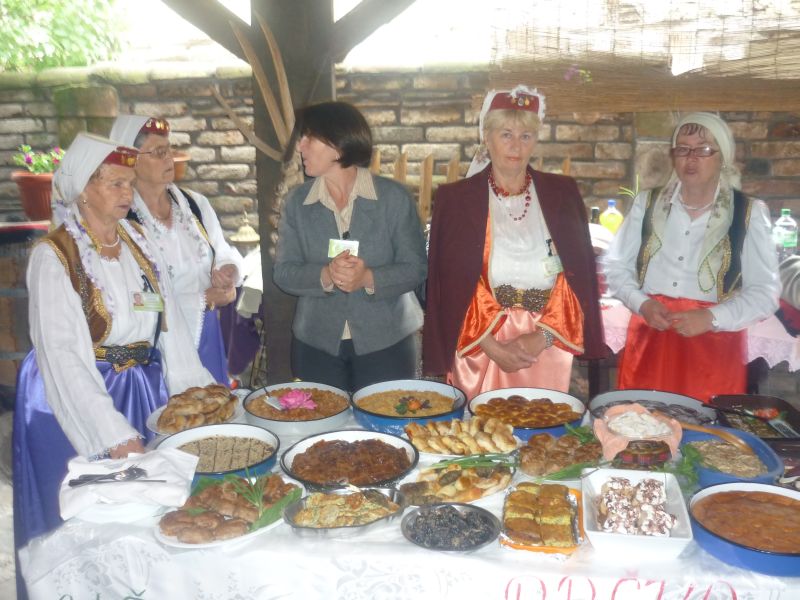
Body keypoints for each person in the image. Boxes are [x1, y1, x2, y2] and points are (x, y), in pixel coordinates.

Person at [13, 134, 215, 556]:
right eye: (115, 184)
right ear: (84, 189)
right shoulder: (54, 258)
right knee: (93, 526)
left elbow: (170, 326)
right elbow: (63, 356)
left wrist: (198, 395)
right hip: (77, 400)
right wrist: (111, 434)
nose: (128, 193)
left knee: (148, 517)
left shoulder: (138, 243)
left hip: (140, 391)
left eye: (129, 183)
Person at [423, 85, 605, 398]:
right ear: (487, 136)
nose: (516, 146)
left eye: (526, 136)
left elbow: (577, 274)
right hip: (480, 344)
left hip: (547, 345)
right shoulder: (455, 199)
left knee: (547, 436)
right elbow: (450, 282)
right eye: (506, 133)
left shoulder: (563, 194)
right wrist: (491, 343)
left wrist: (542, 337)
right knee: (481, 438)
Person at [603, 112, 780, 402]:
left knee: (705, 433)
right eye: (683, 149)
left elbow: (764, 292)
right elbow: (616, 266)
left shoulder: (747, 212)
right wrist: (642, 304)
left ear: (723, 156)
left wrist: (711, 317)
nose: (691, 158)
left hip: (712, 342)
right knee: (643, 426)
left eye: (703, 150)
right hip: (652, 334)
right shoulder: (647, 204)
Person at [273, 101, 427, 392]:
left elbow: (415, 268)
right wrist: (327, 275)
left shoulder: (393, 198)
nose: (301, 147)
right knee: (323, 434)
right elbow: (284, 273)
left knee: (383, 431)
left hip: (387, 341)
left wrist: (368, 278)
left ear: (338, 145)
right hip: (316, 343)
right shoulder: (297, 203)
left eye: (309, 138)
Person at [109, 115, 245, 384]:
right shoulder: (123, 221)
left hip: (206, 333)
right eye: (159, 152)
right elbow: (132, 299)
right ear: (132, 160)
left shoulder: (195, 205)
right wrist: (201, 299)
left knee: (211, 415)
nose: (169, 158)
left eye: (169, 150)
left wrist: (228, 272)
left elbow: (221, 250)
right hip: (158, 346)